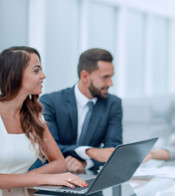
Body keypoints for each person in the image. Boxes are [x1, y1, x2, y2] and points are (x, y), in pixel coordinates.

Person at [0, 46, 86, 188]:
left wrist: (25, 179)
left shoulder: (34, 116)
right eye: (36, 70)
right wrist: (43, 178)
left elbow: (60, 163)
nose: (43, 75)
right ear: (15, 75)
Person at [38, 48, 122, 173]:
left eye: (111, 77)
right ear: (85, 76)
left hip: (87, 176)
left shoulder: (113, 104)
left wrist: (85, 162)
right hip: (50, 175)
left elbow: (113, 150)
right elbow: (48, 147)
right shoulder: (50, 102)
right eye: (105, 77)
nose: (110, 83)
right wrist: (89, 151)